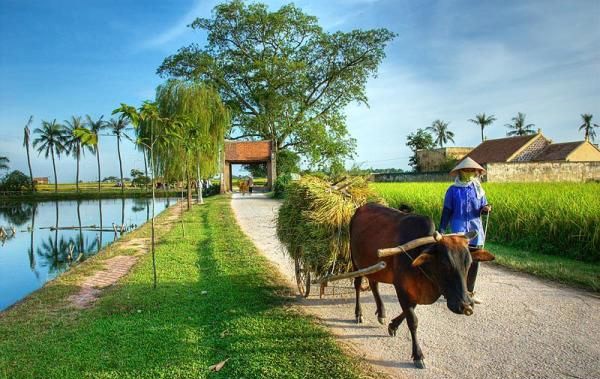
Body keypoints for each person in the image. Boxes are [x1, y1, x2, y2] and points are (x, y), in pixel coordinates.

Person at [439, 157, 491, 304]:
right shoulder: (453, 191)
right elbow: (447, 211)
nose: (468, 172)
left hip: (475, 230)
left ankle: (470, 291)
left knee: (474, 262)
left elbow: (483, 207)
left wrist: (486, 209)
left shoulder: (479, 190)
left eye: (471, 170)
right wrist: (441, 230)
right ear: (460, 172)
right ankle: (457, 290)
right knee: (460, 263)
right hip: (459, 230)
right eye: (465, 170)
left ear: (475, 172)